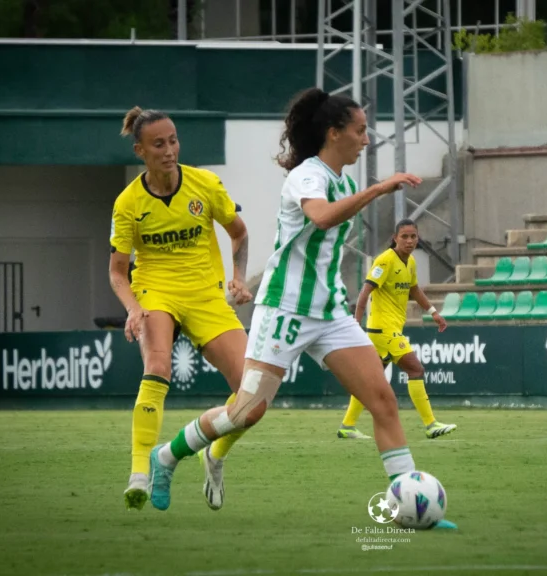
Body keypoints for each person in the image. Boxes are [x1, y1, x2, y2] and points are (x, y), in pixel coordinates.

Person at [145, 88, 457, 529]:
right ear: (334, 133)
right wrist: (380, 189)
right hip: (285, 310)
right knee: (245, 412)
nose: (367, 140)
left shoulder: (344, 180)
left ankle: (411, 507)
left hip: (328, 312)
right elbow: (322, 217)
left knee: (383, 400)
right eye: (360, 130)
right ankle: (166, 455)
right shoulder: (307, 176)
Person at [109, 107, 252, 511]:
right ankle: (140, 471)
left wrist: (238, 276)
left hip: (206, 294)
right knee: (157, 366)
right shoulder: (128, 203)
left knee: (252, 397)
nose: (169, 150)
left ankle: (214, 454)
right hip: (156, 291)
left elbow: (239, 234)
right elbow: (118, 272)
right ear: (140, 150)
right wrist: (133, 308)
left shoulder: (205, 184)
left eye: (173, 140)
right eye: (158, 144)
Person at [336, 219, 457, 440]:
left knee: (370, 380)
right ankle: (430, 424)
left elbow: (414, 289)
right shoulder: (385, 261)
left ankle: (347, 425)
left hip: (386, 330)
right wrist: (355, 325)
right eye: (405, 236)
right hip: (383, 331)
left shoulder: (410, 263)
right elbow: (364, 293)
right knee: (416, 369)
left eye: (413, 236)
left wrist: (433, 312)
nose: (409, 241)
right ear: (395, 238)